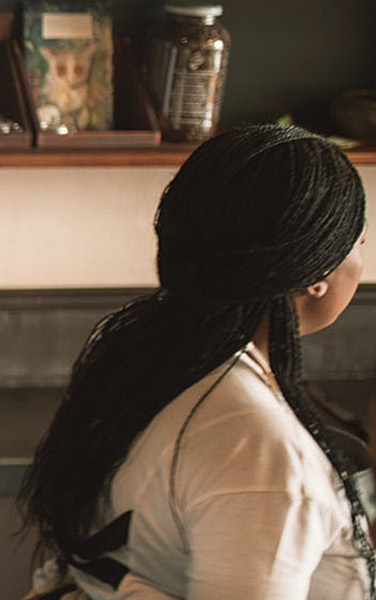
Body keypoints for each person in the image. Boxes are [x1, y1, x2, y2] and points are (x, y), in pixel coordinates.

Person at [21, 125, 373, 599]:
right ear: (316, 276)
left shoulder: (147, 350)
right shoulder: (262, 450)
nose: (362, 258)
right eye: (360, 242)